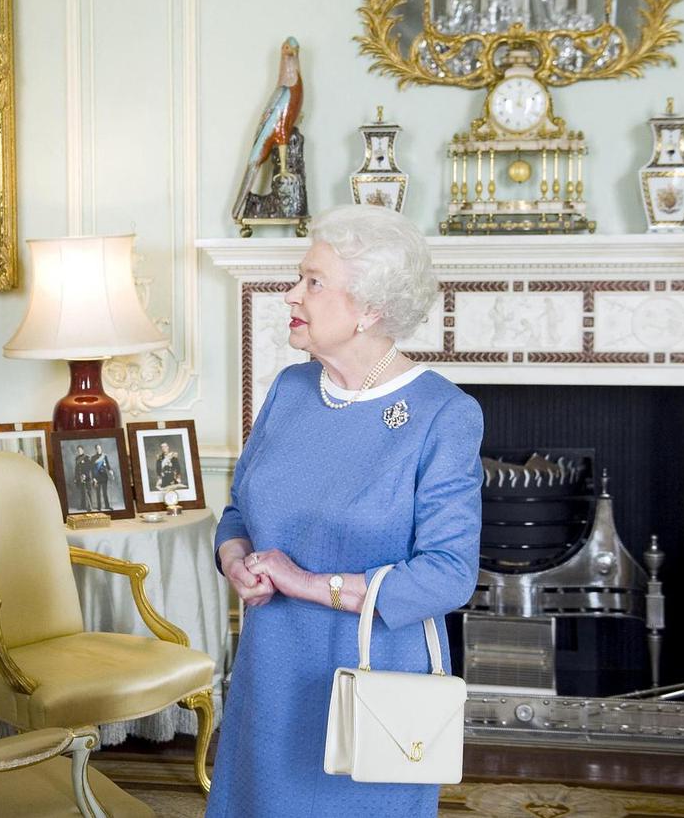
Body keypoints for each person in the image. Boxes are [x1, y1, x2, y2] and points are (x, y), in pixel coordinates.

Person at [207, 204, 483, 817]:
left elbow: (448, 574)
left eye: (313, 281)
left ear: (370, 309)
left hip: (372, 677)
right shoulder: (290, 388)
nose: (290, 294)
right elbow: (239, 514)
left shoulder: (443, 414)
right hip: (271, 667)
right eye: (299, 278)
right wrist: (235, 559)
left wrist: (303, 583)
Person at [92, 442, 114, 511]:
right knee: (98, 493)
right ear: (95, 449)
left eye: (99, 448)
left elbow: (107, 465)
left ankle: (107, 506)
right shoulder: (93, 457)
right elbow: (92, 469)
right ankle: (99, 507)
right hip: (97, 477)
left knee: (105, 492)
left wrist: (110, 471)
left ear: (101, 449)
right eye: (97, 448)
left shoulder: (104, 456)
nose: (98, 449)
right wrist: (94, 478)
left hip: (104, 476)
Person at [72, 444, 93, 511]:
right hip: (80, 478)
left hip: (86, 478)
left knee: (88, 492)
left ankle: (89, 506)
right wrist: (75, 478)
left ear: (83, 450)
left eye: (80, 450)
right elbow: (76, 469)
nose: (79, 451)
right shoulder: (77, 458)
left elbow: (89, 467)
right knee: (82, 492)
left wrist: (85, 475)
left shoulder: (87, 457)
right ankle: (83, 506)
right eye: (78, 450)